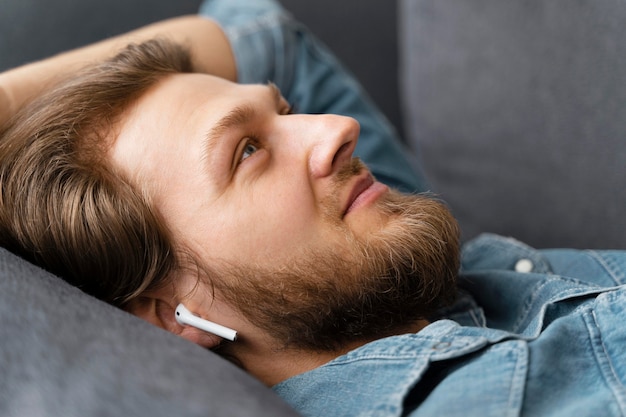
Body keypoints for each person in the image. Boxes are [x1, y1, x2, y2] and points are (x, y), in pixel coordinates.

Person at [1, 1, 625, 416]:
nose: (336, 129)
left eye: (286, 111)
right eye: (247, 152)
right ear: (175, 313)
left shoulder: (381, 257)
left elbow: (266, 35)